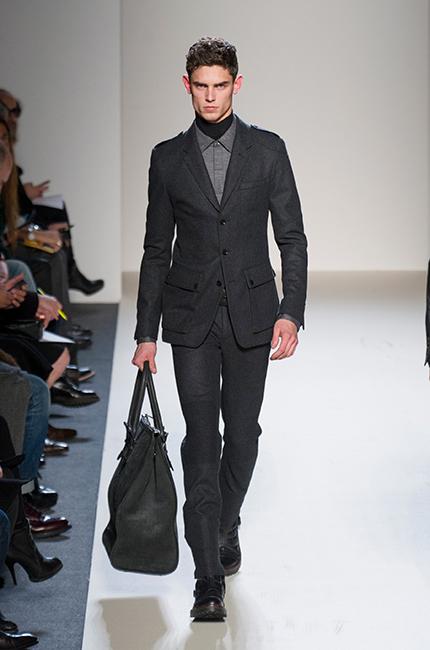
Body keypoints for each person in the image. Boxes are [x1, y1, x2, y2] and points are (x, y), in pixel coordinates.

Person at [132, 37, 308, 620]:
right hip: (190, 320)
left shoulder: (268, 150)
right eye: (201, 86)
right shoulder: (166, 158)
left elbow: (292, 238)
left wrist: (291, 311)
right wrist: (146, 332)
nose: (210, 97)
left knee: (245, 435)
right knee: (200, 441)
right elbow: (156, 250)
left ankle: (225, 521)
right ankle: (207, 578)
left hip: (254, 315)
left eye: (220, 86)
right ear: (187, 86)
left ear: (237, 84)